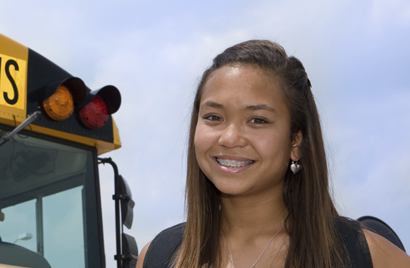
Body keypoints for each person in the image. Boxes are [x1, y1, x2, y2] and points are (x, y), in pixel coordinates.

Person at [136, 40, 410, 268]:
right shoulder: (159, 256)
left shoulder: (365, 255)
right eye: (213, 116)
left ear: (296, 142)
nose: (229, 138)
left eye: (258, 120)